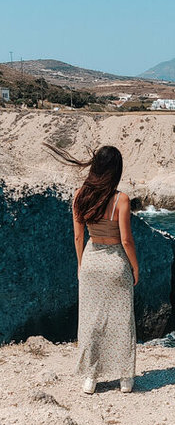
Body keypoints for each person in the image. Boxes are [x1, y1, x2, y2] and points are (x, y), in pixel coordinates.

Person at [45, 143, 139, 394]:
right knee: (122, 319)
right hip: (116, 261)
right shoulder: (121, 199)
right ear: (116, 170)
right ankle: (125, 378)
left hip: (91, 260)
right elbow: (126, 240)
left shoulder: (79, 195)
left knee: (91, 321)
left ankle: (90, 378)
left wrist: (80, 264)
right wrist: (135, 266)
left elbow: (78, 237)